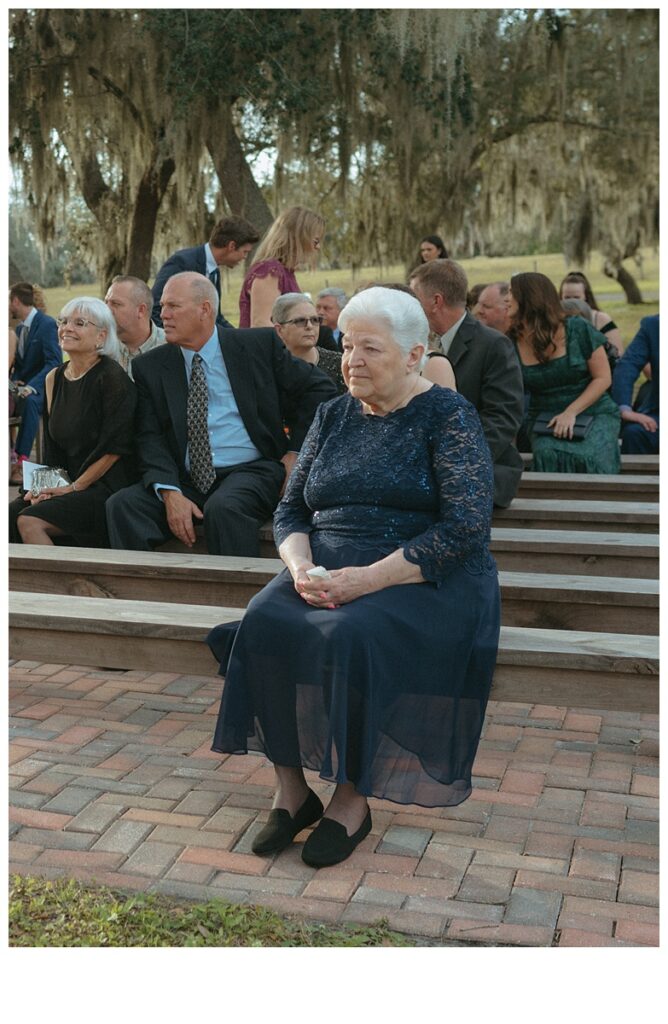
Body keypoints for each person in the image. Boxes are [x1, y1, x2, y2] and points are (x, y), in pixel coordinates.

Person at [208, 287, 500, 868]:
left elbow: (464, 527)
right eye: (346, 346)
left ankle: (350, 799)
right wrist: (300, 569)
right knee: (262, 622)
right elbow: (291, 511)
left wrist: (364, 581)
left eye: (371, 348)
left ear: (415, 355)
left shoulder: (448, 414)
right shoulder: (332, 413)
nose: (352, 360)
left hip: (423, 574)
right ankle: (292, 793)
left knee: (351, 635)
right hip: (326, 565)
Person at [106, 272, 336, 557]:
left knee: (224, 507)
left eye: (173, 306)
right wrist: (169, 491)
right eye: (162, 306)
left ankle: (237, 597)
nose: (162, 314)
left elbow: (319, 389)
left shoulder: (257, 346)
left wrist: (296, 450)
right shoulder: (151, 367)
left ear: (205, 309)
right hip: (187, 479)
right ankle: (140, 597)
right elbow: (148, 435)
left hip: (252, 469)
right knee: (123, 506)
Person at [9, 297, 137, 547]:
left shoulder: (113, 379)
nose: (67, 328)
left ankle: (52, 586)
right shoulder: (53, 378)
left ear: (101, 336)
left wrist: (73, 488)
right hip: (64, 481)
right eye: (64, 321)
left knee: (29, 520)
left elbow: (114, 451)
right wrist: (43, 488)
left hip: (105, 487)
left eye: (79, 323)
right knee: (10, 514)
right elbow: (51, 449)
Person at [409, 259, 524, 507]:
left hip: (481, 467)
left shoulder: (492, 345)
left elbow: (503, 418)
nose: (410, 307)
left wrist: (453, 460)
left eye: (414, 298)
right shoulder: (416, 344)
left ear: (435, 301)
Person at [508, 272, 621, 473]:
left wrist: (571, 412)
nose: (507, 298)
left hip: (593, 411)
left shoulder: (577, 328)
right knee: (547, 454)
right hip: (546, 417)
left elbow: (603, 378)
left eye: (511, 293)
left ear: (529, 298)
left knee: (590, 456)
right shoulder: (510, 339)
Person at [151, 215, 260, 328]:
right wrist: (173, 342)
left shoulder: (214, 272)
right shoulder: (182, 262)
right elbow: (155, 307)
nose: (244, 257)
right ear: (232, 246)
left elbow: (215, 317)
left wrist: (239, 338)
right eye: (245, 252)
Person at [9, 282, 62, 484]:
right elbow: (21, 367)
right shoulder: (21, 328)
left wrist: (31, 386)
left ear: (16, 301)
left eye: (8, 302)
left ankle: (21, 462)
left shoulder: (47, 324)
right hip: (23, 389)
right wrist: (16, 382)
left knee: (31, 401)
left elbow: (54, 362)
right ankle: (11, 457)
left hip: (43, 389)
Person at [238, 206, 325, 328]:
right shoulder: (269, 271)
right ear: (298, 239)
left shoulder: (286, 272)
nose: (318, 247)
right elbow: (262, 324)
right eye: (315, 241)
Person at [271, 293, 346, 394]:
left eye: (315, 320)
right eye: (300, 321)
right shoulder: (268, 367)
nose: (310, 326)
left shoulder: (339, 364)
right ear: (280, 330)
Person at [611, 314, 659, 454]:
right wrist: (625, 409)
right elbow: (627, 366)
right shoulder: (654, 326)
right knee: (634, 433)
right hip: (659, 416)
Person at [105, 276, 165, 379]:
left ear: (141, 310)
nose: (107, 309)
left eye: (116, 304)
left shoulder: (172, 348)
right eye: (106, 302)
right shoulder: (99, 347)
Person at [559, 271, 623, 357]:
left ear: (586, 296)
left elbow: (618, 355)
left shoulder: (601, 319)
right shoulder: (555, 320)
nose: (572, 302)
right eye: (567, 298)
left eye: (576, 297)